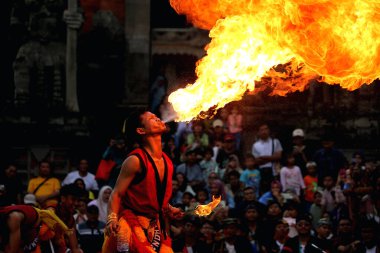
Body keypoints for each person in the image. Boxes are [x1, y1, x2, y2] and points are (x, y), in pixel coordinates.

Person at [103, 110, 184, 253]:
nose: (158, 118)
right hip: (131, 222)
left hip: (154, 224)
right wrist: (112, 219)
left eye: (156, 116)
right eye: (152, 118)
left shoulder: (167, 161)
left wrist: (168, 208)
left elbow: (152, 193)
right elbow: (116, 194)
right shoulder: (135, 161)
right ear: (141, 130)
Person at [251, 124, 283, 193]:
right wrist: (272, 157)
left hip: (274, 172)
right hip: (261, 172)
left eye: (266, 129)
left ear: (269, 130)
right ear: (258, 132)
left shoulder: (275, 142)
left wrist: (263, 157)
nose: (264, 131)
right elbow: (256, 161)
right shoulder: (255, 145)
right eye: (262, 130)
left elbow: (278, 156)